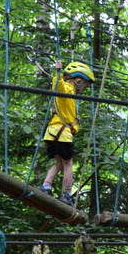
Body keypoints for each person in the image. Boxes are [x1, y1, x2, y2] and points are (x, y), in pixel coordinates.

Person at [39, 60, 95, 207]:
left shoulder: (69, 93)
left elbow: (58, 85)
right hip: (62, 133)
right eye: (85, 85)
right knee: (68, 164)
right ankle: (66, 194)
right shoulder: (68, 89)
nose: (85, 88)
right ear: (78, 81)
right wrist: (58, 72)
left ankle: (46, 186)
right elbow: (58, 85)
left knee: (59, 163)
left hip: (51, 133)